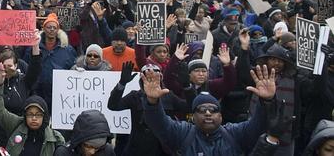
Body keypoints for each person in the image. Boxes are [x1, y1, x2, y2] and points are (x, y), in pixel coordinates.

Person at [141, 65, 277, 155]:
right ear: (193, 117)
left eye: (213, 110)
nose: (207, 113)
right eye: (201, 110)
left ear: (221, 117)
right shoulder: (182, 133)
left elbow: (259, 124)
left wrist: (266, 101)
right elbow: (159, 124)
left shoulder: (235, 134)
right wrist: (152, 102)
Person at [108, 62, 187, 155]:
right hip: (137, 150)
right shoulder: (134, 96)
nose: (151, 80)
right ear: (142, 80)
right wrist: (122, 83)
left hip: (163, 149)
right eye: (148, 78)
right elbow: (113, 106)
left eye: (155, 77)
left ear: (160, 78)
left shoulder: (168, 95)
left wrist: (187, 86)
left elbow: (190, 107)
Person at [0, 60, 65, 155]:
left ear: (45, 117)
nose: (34, 118)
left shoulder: (55, 138)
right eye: (30, 114)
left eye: (38, 115)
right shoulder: (16, 124)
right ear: (25, 115)